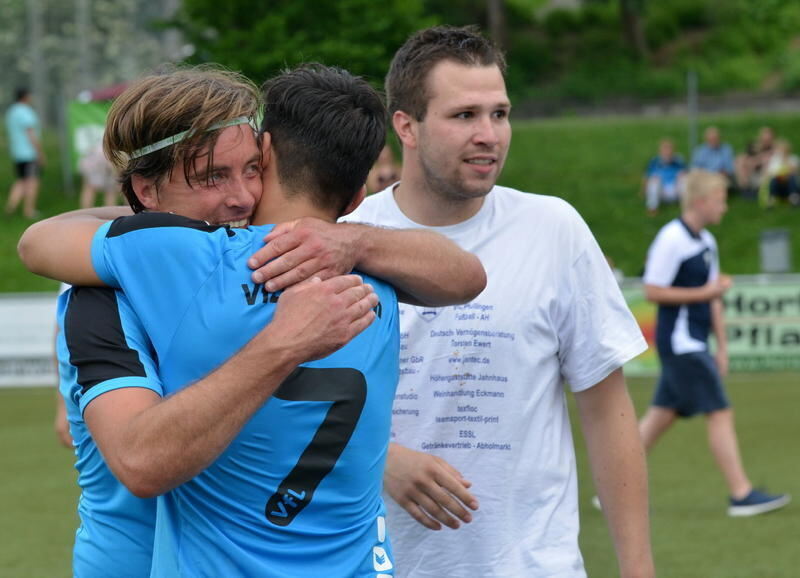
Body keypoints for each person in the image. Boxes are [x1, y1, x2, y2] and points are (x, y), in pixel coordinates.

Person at [19, 64, 485, 576]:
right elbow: (141, 460)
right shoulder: (106, 293)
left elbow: (39, 240)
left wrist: (357, 240)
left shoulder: (322, 254)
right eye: (213, 176)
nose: (241, 197)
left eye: (251, 169)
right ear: (147, 193)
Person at [344, 25, 654, 578]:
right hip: (380, 565)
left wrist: (638, 569)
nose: (489, 134)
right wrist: (379, 460)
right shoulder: (345, 238)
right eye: (464, 116)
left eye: (500, 114)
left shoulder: (552, 228)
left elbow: (608, 411)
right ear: (406, 127)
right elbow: (285, 406)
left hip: (534, 564)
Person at [639, 169, 790, 517]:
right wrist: (705, 292)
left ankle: (611, 486)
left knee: (660, 417)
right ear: (701, 201)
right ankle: (741, 494)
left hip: (696, 343)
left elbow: (715, 298)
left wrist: (722, 347)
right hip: (679, 344)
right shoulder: (671, 238)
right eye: (721, 200)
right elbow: (652, 289)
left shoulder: (707, 242)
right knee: (719, 411)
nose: (725, 208)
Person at [5, 88, 44, 218]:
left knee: (21, 181)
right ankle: (29, 211)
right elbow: (30, 133)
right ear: (26, 97)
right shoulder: (25, 112)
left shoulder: (11, 111)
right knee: (32, 182)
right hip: (29, 153)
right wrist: (39, 152)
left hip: (17, 153)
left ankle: (9, 209)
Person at [642, 138, 686, 215]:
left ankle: (686, 206)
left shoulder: (679, 161)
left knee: (683, 177)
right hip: (661, 191)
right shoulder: (654, 162)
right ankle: (652, 207)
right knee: (654, 180)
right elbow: (647, 177)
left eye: (669, 149)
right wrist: (643, 191)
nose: (667, 152)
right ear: (660, 151)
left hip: (675, 190)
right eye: (665, 150)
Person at [735, 126, 775, 200]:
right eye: (763, 139)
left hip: (767, 172)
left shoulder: (775, 148)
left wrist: (758, 160)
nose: (765, 141)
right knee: (741, 161)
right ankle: (745, 188)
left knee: (765, 163)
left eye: (768, 139)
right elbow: (745, 156)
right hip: (753, 172)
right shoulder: (756, 146)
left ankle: (758, 190)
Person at [78, 140, 120, 208]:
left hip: (100, 156)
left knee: (91, 188)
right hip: (104, 157)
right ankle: (109, 212)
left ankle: (86, 212)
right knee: (110, 190)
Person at [759, 138, 800, 207]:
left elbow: (795, 171)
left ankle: (794, 198)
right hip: (778, 184)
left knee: (792, 178)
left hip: (790, 185)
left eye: (783, 150)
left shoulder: (794, 159)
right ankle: (772, 199)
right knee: (774, 179)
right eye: (780, 150)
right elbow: (769, 173)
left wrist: (785, 160)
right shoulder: (774, 161)